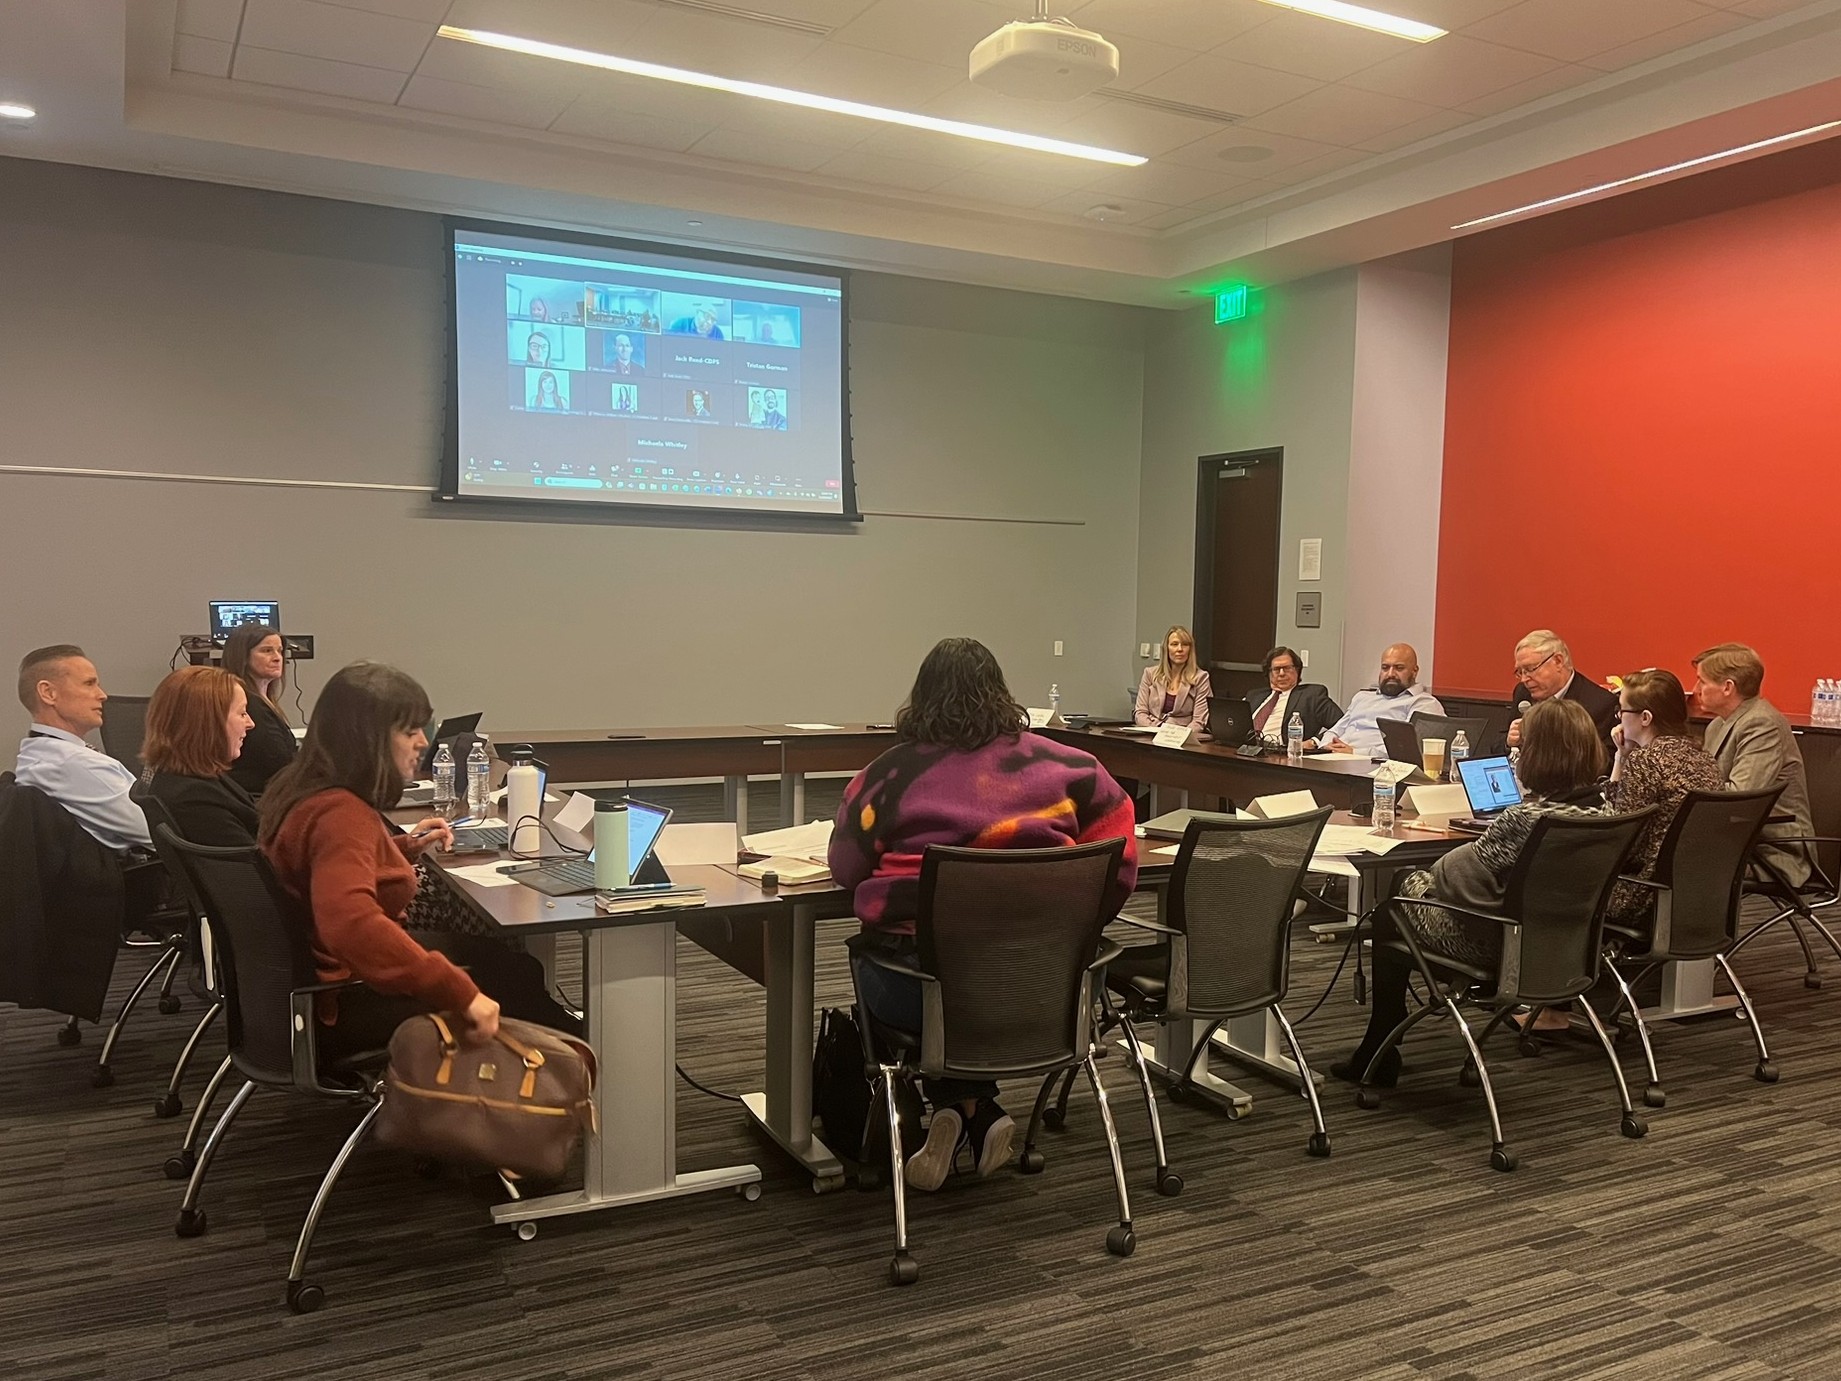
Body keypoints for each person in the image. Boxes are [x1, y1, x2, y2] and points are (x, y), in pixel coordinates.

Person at [828, 637, 1137, 1192]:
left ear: (919, 699)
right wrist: (1070, 932)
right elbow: (1118, 870)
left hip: (915, 990)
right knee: (982, 975)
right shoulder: (1073, 768)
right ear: (1001, 694)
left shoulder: (885, 777)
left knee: (936, 980)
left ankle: (954, 1110)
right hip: (1045, 985)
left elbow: (846, 867)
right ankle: (977, 1109)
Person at [260, 662, 579, 1061]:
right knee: (509, 979)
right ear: (367, 739)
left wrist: (403, 847)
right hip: (343, 1000)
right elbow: (351, 924)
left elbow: (330, 865)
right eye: (409, 731)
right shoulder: (340, 813)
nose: (421, 744)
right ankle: (586, 1069)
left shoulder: (305, 789)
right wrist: (461, 994)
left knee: (514, 968)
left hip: (315, 983)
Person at [1335, 697, 1608, 1079]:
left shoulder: (1526, 819)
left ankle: (1381, 1045)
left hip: (1500, 949)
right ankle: (1380, 1045)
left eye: (1522, 747)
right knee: (1402, 898)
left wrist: (1436, 867)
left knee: (1393, 906)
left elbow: (1453, 876)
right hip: (1567, 952)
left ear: (1537, 754)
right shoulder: (1606, 814)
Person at [1601, 668, 1725, 924]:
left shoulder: (1646, 761)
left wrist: (1622, 761)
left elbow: (1619, 841)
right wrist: (1621, 757)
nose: (1619, 719)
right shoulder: (1703, 758)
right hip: (1697, 892)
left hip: (1644, 894)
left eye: (1622, 711)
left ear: (1645, 717)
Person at [1694, 643, 1814, 887]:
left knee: (1673, 860)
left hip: (1771, 852)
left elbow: (1741, 799)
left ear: (1727, 687)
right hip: (1734, 839)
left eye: (1702, 682)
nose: (1696, 690)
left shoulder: (1762, 723)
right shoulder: (1717, 725)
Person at [14, 644, 150, 851]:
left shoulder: (37, 755)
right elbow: (160, 833)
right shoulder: (73, 764)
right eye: (89, 684)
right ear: (48, 693)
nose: (102, 695)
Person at [139, 665, 258, 848]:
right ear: (208, 723)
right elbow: (253, 868)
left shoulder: (198, 777)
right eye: (242, 713)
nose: (250, 723)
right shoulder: (195, 800)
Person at [1309, 644, 1443, 756]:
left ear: (1414, 671)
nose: (1390, 674)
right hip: (1334, 759)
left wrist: (1356, 752)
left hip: (1373, 765)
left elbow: (1406, 751)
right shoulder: (1362, 697)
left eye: (1399, 668)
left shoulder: (1424, 703)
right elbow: (1336, 729)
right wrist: (1326, 746)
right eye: (1385, 668)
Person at [1507, 630, 1618, 756]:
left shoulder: (1599, 704)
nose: (1524, 679)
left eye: (1530, 669)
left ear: (1558, 661)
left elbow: (1604, 763)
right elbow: (1496, 745)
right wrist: (1509, 743)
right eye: (1520, 672)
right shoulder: (1523, 693)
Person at [220, 623, 296, 797]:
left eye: (280, 650)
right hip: (259, 800)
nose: (277, 658)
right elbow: (279, 762)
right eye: (267, 651)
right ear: (243, 656)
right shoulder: (247, 704)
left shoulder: (263, 700)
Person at [1245, 645, 1340, 742]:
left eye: (1287, 668)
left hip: (1282, 752)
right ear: (1269, 673)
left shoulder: (1312, 695)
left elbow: (1342, 725)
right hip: (1245, 750)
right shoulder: (1254, 695)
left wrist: (1315, 741)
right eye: (1276, 669)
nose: (1281, 673)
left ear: (1297, 670)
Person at [1134, 625, 1211, 733]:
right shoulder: (1150, 674)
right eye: (1174, 644)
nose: (1180, 649)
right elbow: (1140, 713)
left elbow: (1199, 721)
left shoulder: (1201, 678)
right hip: (1151, 734)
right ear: (1166, 648)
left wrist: (1176, 736)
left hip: (1182, 738)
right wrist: (1156, 730)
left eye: (1185, 645)